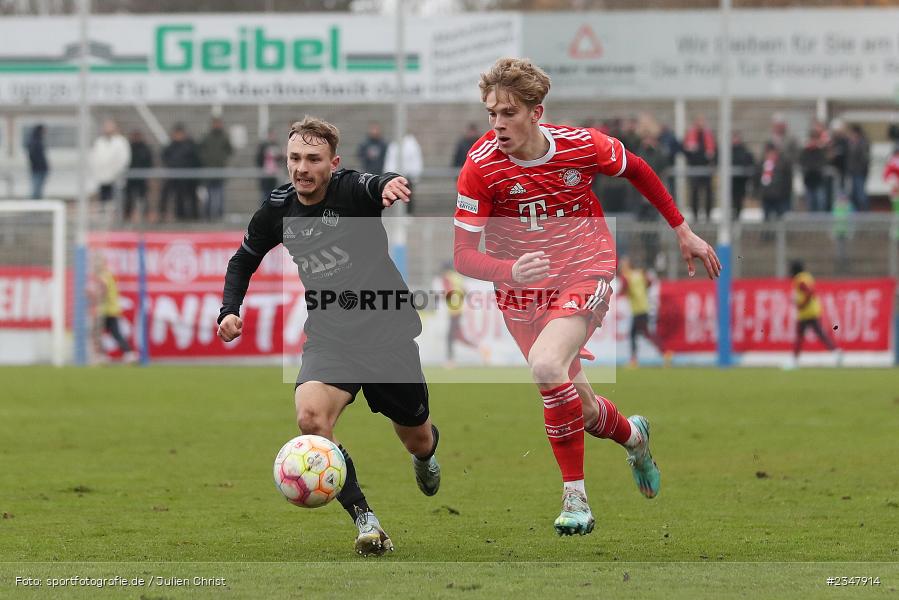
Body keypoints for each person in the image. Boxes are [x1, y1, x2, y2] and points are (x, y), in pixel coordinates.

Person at [453, 57, 720, 536]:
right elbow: (463, 255)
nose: (497, 124)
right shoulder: (481, 167)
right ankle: (635, 437)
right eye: (491, 113)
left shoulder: (581, 146)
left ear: (536, 112)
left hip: (584, 268)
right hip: (521, 294)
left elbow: (638, 169)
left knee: (545, 367)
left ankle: (575, 498)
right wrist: (509, 270)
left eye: (508, 113)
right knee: (586, 409)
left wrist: (682, 229)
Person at [217, 116, 440, 556]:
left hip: (387, 334)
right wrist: (229, 309)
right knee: (311, 419)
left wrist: (390, 184)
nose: (302, 168)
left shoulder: (350, 190)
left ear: (333, 163)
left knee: (417, 436)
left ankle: (426, 456)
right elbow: (242, 260)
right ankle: (366, 520)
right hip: (331, 337)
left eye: (313, 159)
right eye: (295, 158)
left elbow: (375, 183)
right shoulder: (277, 209)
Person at [786, 261, 841, 370]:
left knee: (800, 337)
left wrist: (802, 304)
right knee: (819, 334)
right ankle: (836, 353)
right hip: (813, 310)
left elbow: (809, 292)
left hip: (806, 312)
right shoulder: (807, 276)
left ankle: (794, 361)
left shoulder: (799, 279)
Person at [618, 256, 667, 368]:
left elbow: (623, 289)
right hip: (644, 308)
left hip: (638, 310)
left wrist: (620, 294)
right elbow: (649, 282)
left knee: (639, 334)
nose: (621, 267)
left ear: (627, 266)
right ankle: (664, 353)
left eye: (622, 265)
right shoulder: (639, 273)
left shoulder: (626, 276)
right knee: (642, 334)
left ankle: (635, 360)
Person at [91, 255, 137, 364]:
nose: (95, 265)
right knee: (112, 333)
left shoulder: (104, 275)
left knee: (96, 332)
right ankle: (128, 354)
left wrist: (94, 295)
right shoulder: (108, 274)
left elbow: (103, 287)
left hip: (107, 310)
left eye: (97, 262)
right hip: (111, 309)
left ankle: (103, 355)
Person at [160, 124, 201, 221]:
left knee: (192, 197)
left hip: (190, 178)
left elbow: (196, 159)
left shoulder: (190, 145)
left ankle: (194, 217)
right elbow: (165, 156)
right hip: (177, 177)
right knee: (179, 197)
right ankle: (180, 217)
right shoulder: (172, 145)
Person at [89, 119, 131, 207]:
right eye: (105, 127)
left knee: (116, 202)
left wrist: (115, 172)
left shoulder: (121, 141)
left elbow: (123, 159)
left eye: (109, 127)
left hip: (116, 178)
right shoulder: (99, 142)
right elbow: (94, 158)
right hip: (102, 178)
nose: (107, 129)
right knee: (103, 202)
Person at [199, 117, 234, 220]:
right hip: (209, 170)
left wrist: (222, 160)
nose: (217, 125)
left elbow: (229, 150)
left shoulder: (224, 137)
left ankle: (219, 214)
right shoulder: (207, 137)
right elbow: (200, 150)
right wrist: (206, 160)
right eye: (215, 123)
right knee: (208, 193)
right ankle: (208, 214)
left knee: (220, 193)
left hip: (220, 170)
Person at [682, 115, 716, 222]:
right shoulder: (690, 135)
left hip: (706, 168)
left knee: (708, 192)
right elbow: (685, 150)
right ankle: (695, 215)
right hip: (694, 168)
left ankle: (708, 215)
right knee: (694, 192)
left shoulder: (709, 135)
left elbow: (715, 150)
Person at [384, 132, 423, 214]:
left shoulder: (412, 144)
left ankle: (408, 214)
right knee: (396, 196)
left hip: (408, 176)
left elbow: (415, 160)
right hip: (396, 176)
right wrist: (389, 175)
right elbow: (391, 160)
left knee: (407, 196)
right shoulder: (394, 144)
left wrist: (415, 173)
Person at [124, 130, 153, 223]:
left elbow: (149, 162)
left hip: (142, 177)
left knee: (143, 196)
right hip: (130, 177)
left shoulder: (145, 148)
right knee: (129, 197)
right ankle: (127, 214)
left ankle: (146, 214)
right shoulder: (128, 147)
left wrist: (146, 173)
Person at [731, 132, 755, 220]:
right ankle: (733, 214)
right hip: (732, 181)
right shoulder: (729, 151)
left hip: (741, 180)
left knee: (739, 199)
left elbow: (749, 161)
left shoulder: (744, 151)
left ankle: (737, 214)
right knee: (732, 198)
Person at [846, 124, 870, 212]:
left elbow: (864, 159)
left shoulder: (863, 143)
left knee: (860, 193)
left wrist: (859, 169)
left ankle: (864, 211)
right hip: (853, 172)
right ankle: (857, 211)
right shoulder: (851, 143)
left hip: (860, 172)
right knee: (854, 193)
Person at [256, 128, 284, 203]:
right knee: (265, 194)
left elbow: (280, 159)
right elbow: (259, 159)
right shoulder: (263, 146)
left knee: (274, 193)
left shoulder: (276, 145)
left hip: (274, 174)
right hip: (265, 174)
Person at [26, 124, 49, 199]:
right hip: (38, 168)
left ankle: (37, 202)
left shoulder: (37, 140)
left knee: (38, 189)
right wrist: (38, 165)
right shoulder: (35, 141)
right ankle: (34, 203)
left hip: (39, 168)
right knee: (36, 189)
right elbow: (33, 156)